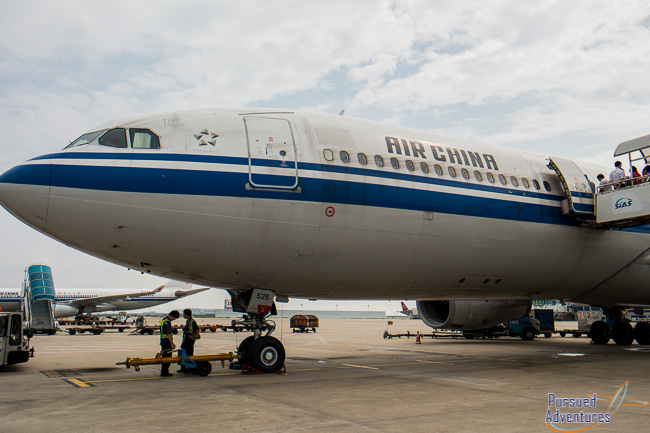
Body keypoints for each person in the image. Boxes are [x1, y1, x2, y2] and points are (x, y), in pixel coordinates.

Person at [178, 308, 201, 374]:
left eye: (184, 314)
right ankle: (183, 368)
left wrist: (192, 336)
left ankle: (190, 368)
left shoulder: (192, 321)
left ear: (187, 314)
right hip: (185, 339)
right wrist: (184, 328)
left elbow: (197, 330)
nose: (183, 315)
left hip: (190, 341)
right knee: (183, 353)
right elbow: (188, 329)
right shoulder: (188, 321)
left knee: (189, 354)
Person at [159, 310, 180, 377]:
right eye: (174, 318)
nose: (174, 320)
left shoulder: (163, 320)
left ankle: (164, 371)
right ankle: (165, 372)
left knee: (165, 356)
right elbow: (168, 334)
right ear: (172, 316)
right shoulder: (167, 322)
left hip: (163, 340)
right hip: (166, 342)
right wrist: (172, 343)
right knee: (168, 357)